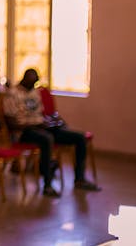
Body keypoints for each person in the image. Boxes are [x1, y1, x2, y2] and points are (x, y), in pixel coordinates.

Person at [6, 68, 101, 197]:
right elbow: (11, 123)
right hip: (24, 132)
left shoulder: (34, 92)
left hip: (42, 127)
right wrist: (35, 124)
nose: (34, 86)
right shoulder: (12, 94)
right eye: (31, 82)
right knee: (47, 139)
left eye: (35, 83)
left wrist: (53, 122)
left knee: (80, 138)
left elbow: (41, 114)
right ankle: (48, 185)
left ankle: (80, 179)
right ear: (24, 79)